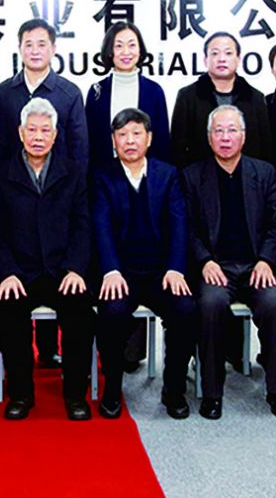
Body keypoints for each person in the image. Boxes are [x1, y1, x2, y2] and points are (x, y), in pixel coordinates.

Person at [184, 105, 276, 419]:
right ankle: (212, 393)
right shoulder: (193, 176)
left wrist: (266, 260)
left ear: (243, 137)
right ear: (209, 138)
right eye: (218, 131)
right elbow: (186, 228)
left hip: (256, 265)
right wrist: (204, 261)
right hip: (216, 267)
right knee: (211, 305)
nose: (225, 137)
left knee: (275, 305)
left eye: (232, 130)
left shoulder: (265, 173)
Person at [0, 97, 94, 421]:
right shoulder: (1, 174)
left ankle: (75, 395)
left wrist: (76, 268)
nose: (38, 136)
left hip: (62, 270)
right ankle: (21, 394)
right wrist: (8, 272)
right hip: (20, 272)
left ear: (55, 134)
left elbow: (83, 225)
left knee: (80, 314)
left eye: (45, 130)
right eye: (32, 130)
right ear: (20, 133)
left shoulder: (73, 172)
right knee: (9, 313)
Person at [91, 108, 195, 420]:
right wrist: (110, 269)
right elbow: (100, 226)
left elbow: (179, 224)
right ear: (113, 140)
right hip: (120, 271)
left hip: (161, 271)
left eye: (136, 134)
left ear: (149, 138)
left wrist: (176, 267)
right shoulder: (101, 175)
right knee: (111, 312)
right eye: (122, 135)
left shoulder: (167, 174)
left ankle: (174, 389)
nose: (130, 141)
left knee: (185, 309)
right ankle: (112, 388)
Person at [0, 19, 89, 173]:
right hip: (12, 183)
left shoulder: (70, 94)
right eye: (29, 45)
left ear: (53, 49)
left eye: (41, 45)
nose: (35, 51)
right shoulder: (3, 92)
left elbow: (79, 150)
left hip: (60, 183)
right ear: (19, 49)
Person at [171, 31, 273, 168]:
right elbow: (177, 147)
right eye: (215, 53)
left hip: (248, 176)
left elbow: (266, 147)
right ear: (205, 60)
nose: (221, 59)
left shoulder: (255, 97)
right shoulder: (187, 96)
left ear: (238, 59)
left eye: (228, 53)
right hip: (199, 177)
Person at [85, 24, 170, 176]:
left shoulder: (154, 91)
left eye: (132, 45)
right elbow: (90, 141)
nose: (126, 52)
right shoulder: (97, 92)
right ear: (110, 51)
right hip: (105, 178)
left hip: (147, 177)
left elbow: (162, 141)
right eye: (119, 46)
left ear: (140, 50)